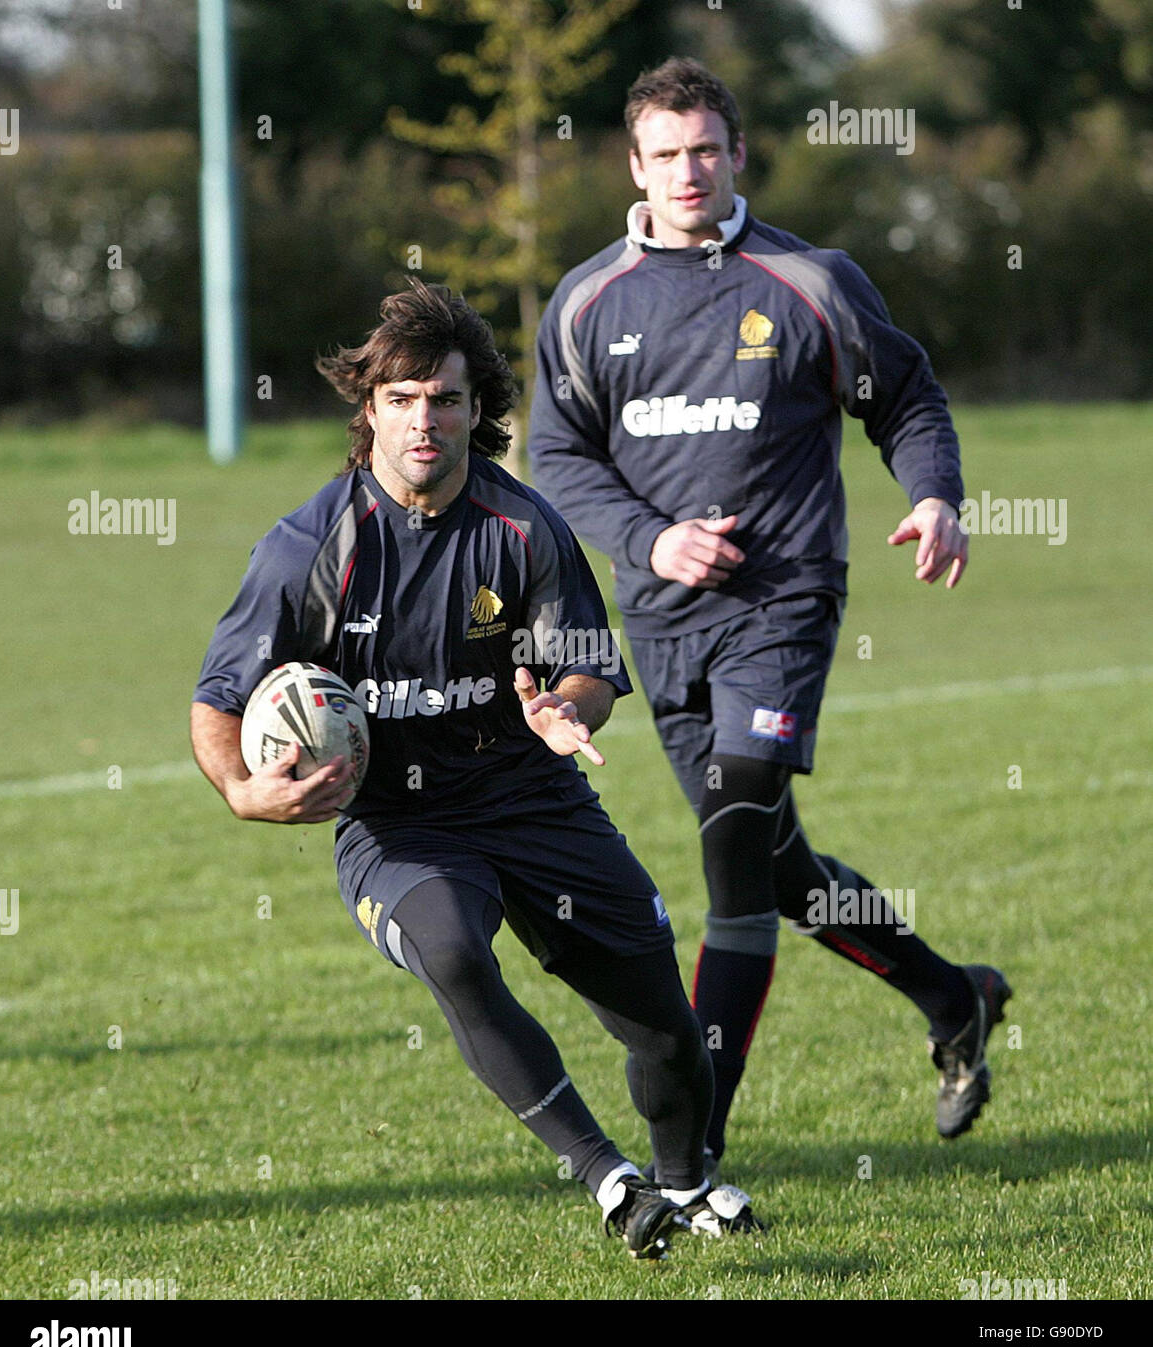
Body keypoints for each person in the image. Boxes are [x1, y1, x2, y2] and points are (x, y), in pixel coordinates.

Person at [189, 278, 760, 1258]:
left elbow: (587, 670)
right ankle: (609, 1178)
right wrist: (245, 791)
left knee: (666, 1027)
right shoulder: (306, 549)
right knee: (453, 946)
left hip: (531, 794)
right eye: (403, 397)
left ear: (477, 412)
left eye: (446, 399)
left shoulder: (525, 531)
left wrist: (561, 715)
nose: (425, 419)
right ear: (369, 408)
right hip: (399, 829)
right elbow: (217, 701)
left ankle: (686, 1180)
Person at [529, 58, 1012, 1174]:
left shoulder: (808, 280)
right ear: (635, 167)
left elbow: (907, 396)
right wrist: (651, 540)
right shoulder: (588, 301)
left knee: (738, 836)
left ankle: (694, 1144)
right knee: (770, 865)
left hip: (784, 602)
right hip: (660, 623)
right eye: (665, 153)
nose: (688, 170)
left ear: (737, 154)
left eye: (707, 148)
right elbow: (556, 453)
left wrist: (934, 493)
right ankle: (954, 998)